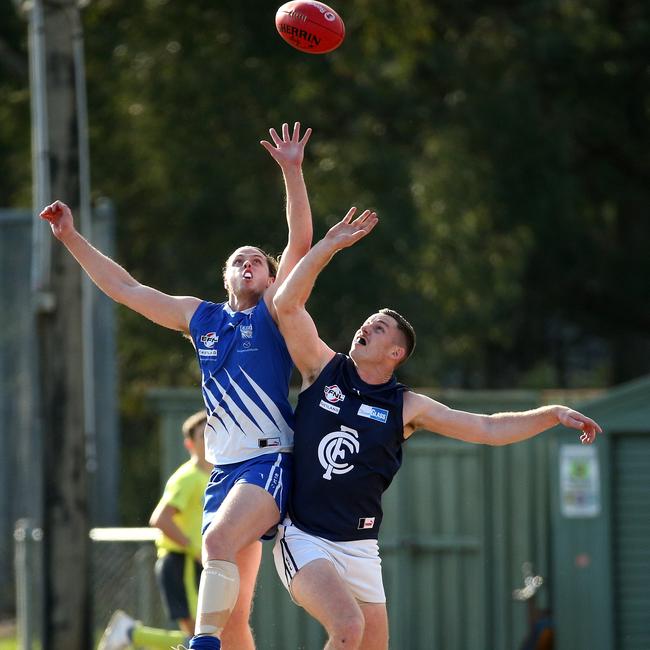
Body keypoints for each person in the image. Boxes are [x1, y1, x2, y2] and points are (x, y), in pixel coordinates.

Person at [270, 207, 602, 650]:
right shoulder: (323, 369)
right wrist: (328, 246)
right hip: (304, 535)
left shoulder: (406, 405)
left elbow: (486, 428)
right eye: (369, 321)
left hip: (360, 547)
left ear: (395, 354)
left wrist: (551, 414)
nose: (367, 325)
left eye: (380, 327)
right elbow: (286, 304)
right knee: (347, 628)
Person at [40, 121, 314, 650]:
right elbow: (125, 288)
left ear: (273, 277)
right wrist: (71, 237)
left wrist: (293, 172)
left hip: (268, 461)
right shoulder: (203, 318)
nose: (248, 261)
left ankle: (200, 643)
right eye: (239, 259)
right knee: (234, 613)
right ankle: (219, 637)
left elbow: (299, 240)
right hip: (224, 470)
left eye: (258, 259)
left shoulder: (277, 314)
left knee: (214, 546)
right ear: (225, 278)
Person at [98, 410, 212, 650]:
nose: (210, 439)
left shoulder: (213, 476)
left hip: (196, 564)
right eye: (203, 435)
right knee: (201, 637)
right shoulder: (187, 478)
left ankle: (130, 633)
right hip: (183, 563)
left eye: (213, 432)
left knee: (206, 635)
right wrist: (194, 550)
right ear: (190, 444)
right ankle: (131, 634)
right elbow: (160, 519)